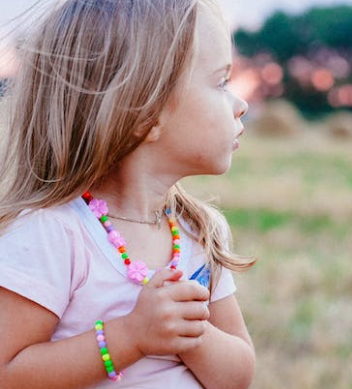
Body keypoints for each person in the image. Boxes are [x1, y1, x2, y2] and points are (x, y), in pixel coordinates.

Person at [0, 0, 256, 388]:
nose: (241, 105)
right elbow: (8, 372)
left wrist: (189, 334)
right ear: (145, 115)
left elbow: (236, 377)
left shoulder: (200, 231)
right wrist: (129, 337)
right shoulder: (52, 233)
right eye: (220, 82)